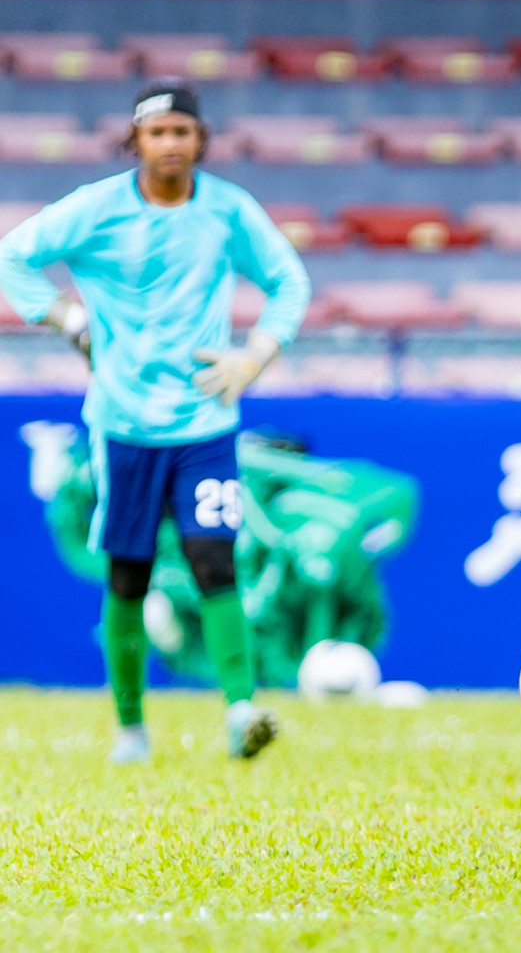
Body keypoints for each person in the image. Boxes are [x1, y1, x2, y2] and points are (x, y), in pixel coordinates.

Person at [0, 79, 312, 763]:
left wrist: (254, 355)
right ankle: (131, 728)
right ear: (135, 141)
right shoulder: (97, 209)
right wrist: (66, 317)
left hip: (205, 424)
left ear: (201, 140)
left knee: (214, 562)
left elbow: (289, 281)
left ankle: (240, 711)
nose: (171, 143)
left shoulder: (229, 211)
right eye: (158, 131)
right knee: (129, 576)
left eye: (183, 131)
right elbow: (13, 256)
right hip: (123, 425)